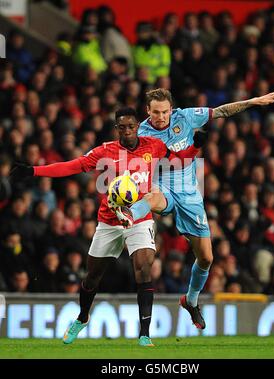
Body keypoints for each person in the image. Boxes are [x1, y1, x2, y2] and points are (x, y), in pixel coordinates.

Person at [9, 107, 205, 347]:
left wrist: (195, 147)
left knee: (144, 268)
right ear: (117, 129)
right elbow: (74, 165)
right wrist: (33, 171)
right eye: (122, 127)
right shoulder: (106, 151)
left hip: (139, 219)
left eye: (131, 126)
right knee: (92, 277)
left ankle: (145, 334)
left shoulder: (153, 146)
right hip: (109, 221)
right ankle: (82, 317)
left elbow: (177, 161)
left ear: (137, 126)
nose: (127, 131)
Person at [116, 88, 274, 329]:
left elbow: (222, 111)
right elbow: (165, 160)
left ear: (171, 110)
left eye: (164, 112)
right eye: (155, 112)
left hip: (190, 193)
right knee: (152, 198)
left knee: (206, 258)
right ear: (147, 111)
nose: (161, 117)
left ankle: (191, 301)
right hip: (162, 184)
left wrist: (252, 101)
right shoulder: (142, 133)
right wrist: (193, 148)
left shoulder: (185, 117)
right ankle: (129, 215)